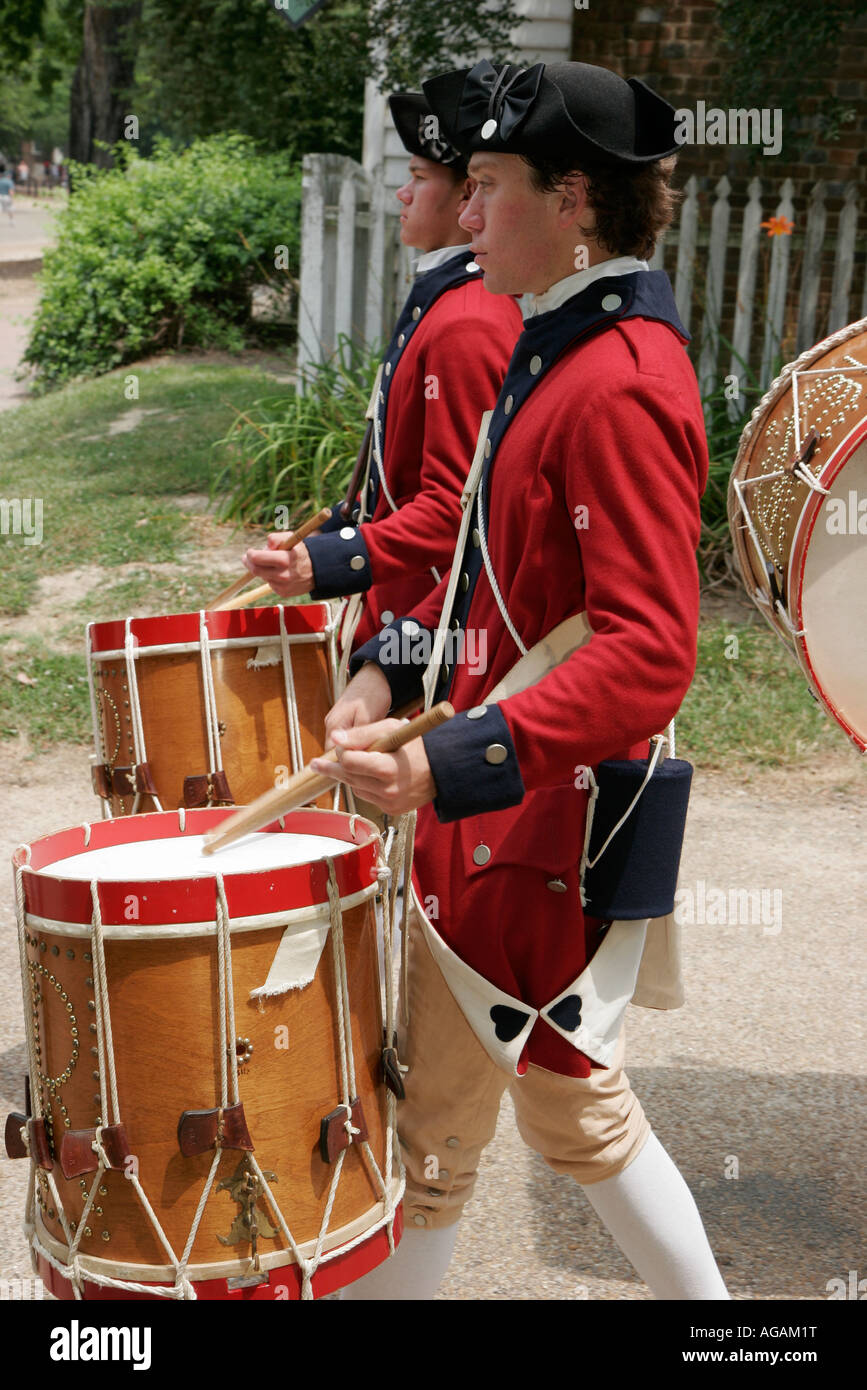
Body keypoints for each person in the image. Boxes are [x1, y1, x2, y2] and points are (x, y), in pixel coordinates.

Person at [313, 60, 729, 1300]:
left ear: (576, 199)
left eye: (487, 184)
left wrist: (446, 763)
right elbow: (479, 587)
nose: (467, 210)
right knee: (436, 1120)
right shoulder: (554, 347)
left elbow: (651, 650)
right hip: (494, 814)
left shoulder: (619, 381)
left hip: (548, 821)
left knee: (571, 1119)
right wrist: (389, 677)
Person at [241, 93, 523, 659]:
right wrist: (322, 539)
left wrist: (323, 563)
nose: (403, 192)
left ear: (467, 195)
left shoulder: (467, 321)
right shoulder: (447, 302)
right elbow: (392, 489)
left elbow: (454, 511)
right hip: (397, 606)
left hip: (432, 628)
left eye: (418, 176)